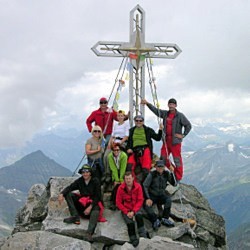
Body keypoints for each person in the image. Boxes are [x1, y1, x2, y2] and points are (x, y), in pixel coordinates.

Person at [141, 98, 192, 182]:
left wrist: (183, 135)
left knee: (177, 160)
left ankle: (178, 177)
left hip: (175, 142)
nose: (171, 106)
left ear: (175, 105)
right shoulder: (165, 114)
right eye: (170, 104)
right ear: (168, 105)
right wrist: (147, 103)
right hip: (166, 141)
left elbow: (188, 125)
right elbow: (156, 111)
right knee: (163, 158)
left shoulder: (180, 116)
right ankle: (173, 172)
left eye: (173, 104)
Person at [58, 164, 102, 240]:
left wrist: (90, 207)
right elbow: (70, 187)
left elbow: (98, 197)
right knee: (68, 194)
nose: (85, 174)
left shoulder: (95, 181)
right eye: (83, 172)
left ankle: (89, 233)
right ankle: (75, 216)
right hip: (83, 203)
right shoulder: (80, 181)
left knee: (96, 209)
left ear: (90, 173)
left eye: (87, 172)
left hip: (92, 203)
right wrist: (62, 194)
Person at [126, 115, 163, 183]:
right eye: (137, 121)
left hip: (145, 149)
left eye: (140, 121)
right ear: (134, 121)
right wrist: (128, 149)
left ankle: (141, 184)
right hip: (134, 151)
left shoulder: (148, 130)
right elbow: (129, 143)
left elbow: (157, 138)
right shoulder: (131, 131)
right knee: (129, 168)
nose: (138, 122)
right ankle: (133, 183)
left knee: (145, 170)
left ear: (143, 122)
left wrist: (160, 130)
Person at [143, 160, 177, 230]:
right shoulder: (152, 174)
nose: (160, 168)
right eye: (159, 166)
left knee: (168, 200)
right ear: (156, 167)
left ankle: (165, 218)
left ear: (164, 167)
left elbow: (174, 184)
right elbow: (145, 185)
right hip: (152, 195)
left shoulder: (167, 174)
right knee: (147, 205)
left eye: (162, 166)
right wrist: (147, 198)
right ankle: (155, 220)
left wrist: (172, 172)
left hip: (161, 195)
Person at [116, 171, 147, 247]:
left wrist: (133, 211)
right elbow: (118, 202)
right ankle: (133, 239)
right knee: (130, 223)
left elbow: (140, 200)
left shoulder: (138, 186)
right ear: (124, 179)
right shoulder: (120, 188)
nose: (128, 180)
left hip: (136, 207)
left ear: (133, 178)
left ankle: (142, 234)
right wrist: (126, 212)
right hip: (126, 208)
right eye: (126, 179)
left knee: (139, 216)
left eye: (129, 178)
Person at [107, 143, 127, 210]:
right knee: (116, 186)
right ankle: (114, 202)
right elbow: (113, 168)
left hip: (123, 173)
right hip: (115, 174)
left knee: (120, 187)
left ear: (120, 150)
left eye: (117, 150)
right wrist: (116, 180)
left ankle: (116, 202)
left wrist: (121, 180)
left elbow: (123, 168)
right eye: (114, 150)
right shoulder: (110, 156)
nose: (116, 152)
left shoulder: (124, 156)